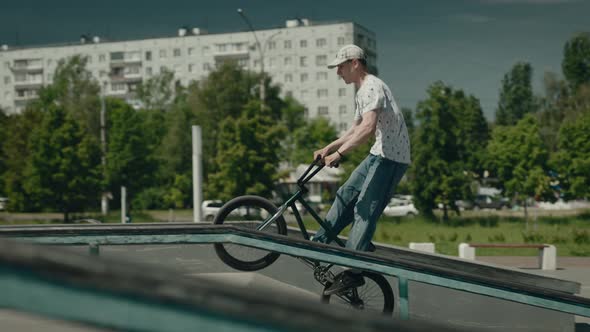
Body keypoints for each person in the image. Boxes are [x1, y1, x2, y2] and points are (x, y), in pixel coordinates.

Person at [312, 44, 411, 295]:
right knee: (346, 194)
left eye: (341, 67)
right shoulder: (362, 92)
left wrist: (340, 154)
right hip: (377, 153)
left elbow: (367, 129)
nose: (338, 73)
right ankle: (319, 245)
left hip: (391, 158)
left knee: (364, 208)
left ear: (355, 63)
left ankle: (353, 271)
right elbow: (355, 129)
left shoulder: (372, 87)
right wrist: (328, 147)